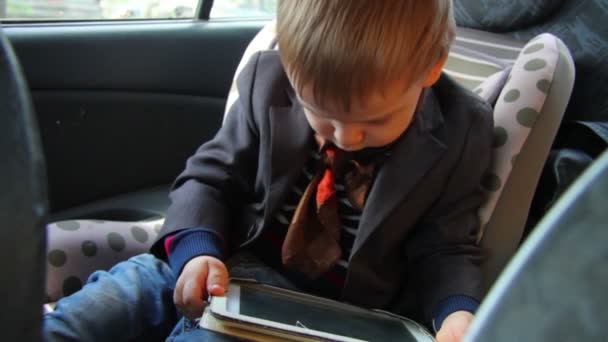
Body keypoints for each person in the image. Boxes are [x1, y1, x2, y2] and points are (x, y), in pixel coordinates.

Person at [44, 1, 493, 341]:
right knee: (118, 297)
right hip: (225, 261)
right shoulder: (268, 81)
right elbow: (210, 177)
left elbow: (446, 247)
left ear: (431, 67)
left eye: (374, 121)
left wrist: (456, 314)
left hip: (311, 315)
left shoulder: (460, 131)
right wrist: (197, 251)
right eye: (321, 113)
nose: (345, 136)